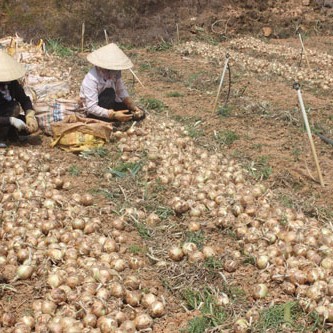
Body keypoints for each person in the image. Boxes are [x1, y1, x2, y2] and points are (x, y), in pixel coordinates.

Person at [80, 43, 145, 124]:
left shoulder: (115, 74)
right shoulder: (91, 79)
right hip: (95, 109)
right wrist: (113, 115)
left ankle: (115, 118)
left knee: (134, 113)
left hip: (110, 104)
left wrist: (131, 105)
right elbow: (91, 107)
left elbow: (120, 90)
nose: (115, 72)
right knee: (109, 93)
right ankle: (109, 119)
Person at [0, 49, 39, 147]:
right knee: (13, 107)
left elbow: (24, 99)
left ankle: (10, 135)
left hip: (6, 115)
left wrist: (29, 115)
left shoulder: (12, 84)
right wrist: (11, 121)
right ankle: (2, 139)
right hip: (3, 117)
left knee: (26, 127)